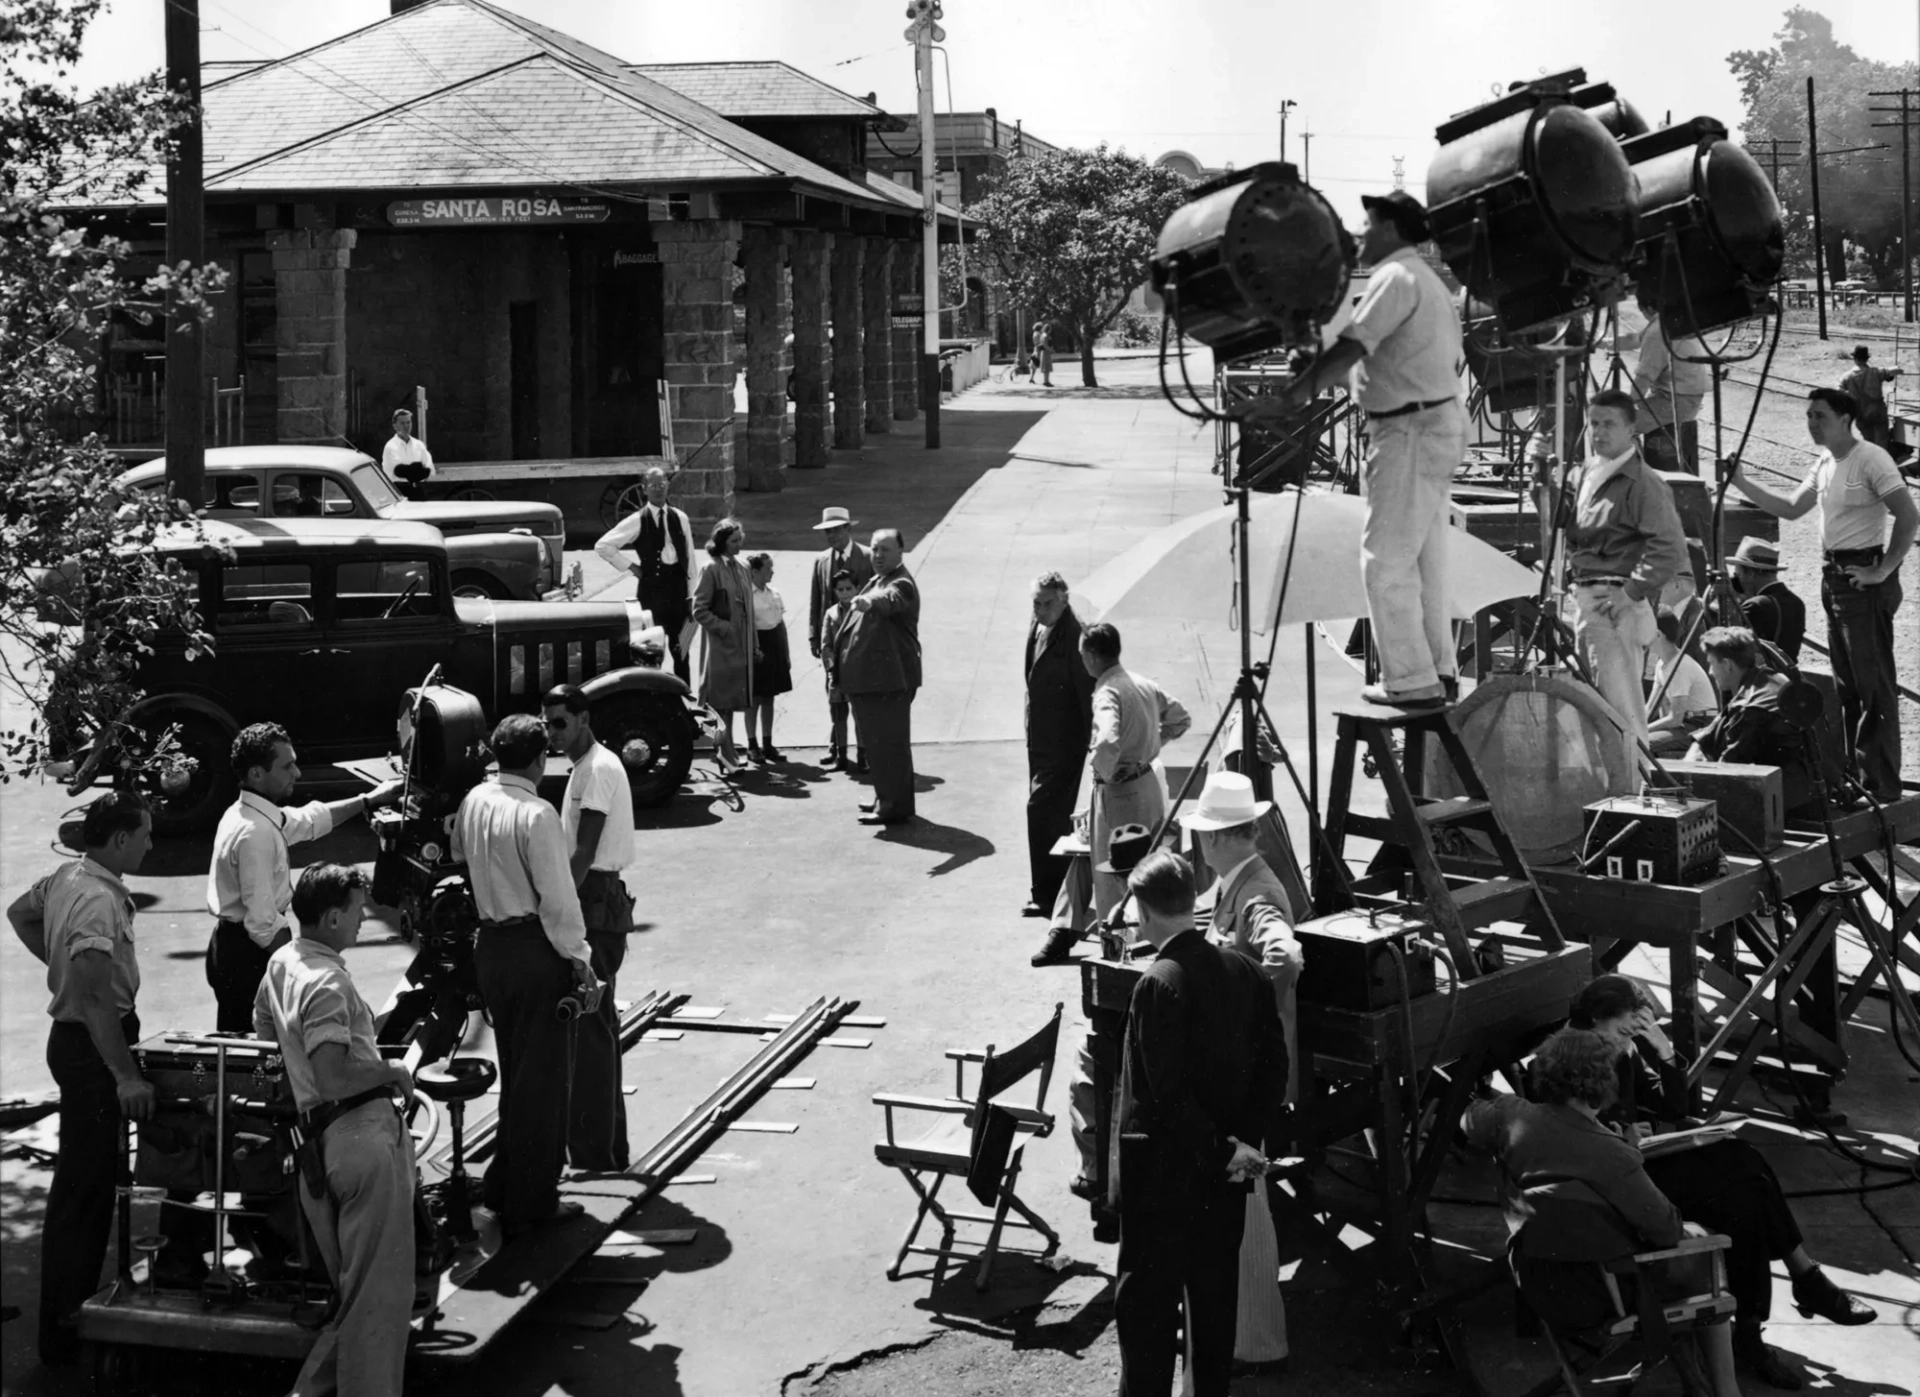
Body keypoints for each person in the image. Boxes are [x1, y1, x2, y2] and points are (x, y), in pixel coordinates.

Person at [1570, 975, 1875, 1388]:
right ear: (1594, 1018)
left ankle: (1758, 1324)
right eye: (1625, 1029)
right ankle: (1797, 1288)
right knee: (1742, 1170)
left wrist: (1661, 1050)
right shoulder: (1567, 1060)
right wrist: (1621, 1137)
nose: (1629, 1039)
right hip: (1617, 1185)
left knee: (1744, 1191)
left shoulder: (1618, 1048)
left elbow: (1675, 1105)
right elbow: (1570, 1140)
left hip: (1638, 1162)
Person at [1261, 190, 1467, 708]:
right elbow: (1373, 361)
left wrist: (1290, 397)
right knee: (1423, 561)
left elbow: (1353, 346)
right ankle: (1436, 670)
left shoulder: (1395, 277)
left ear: (1393, 229)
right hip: (1430, 425)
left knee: (1384, 562)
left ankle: (1410, 678)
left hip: (1408, 433)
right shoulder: (1426, 281)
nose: (1360, 234)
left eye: (1369, 225)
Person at [1462, 1028, 1743, 1397]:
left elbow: (1467, 1121)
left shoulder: (1508, 1115)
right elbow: (1667, 1231)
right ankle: (1727, 1390)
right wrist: (1627, 1151)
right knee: (1704, 1249)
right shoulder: (1614, 1155)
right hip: (1597, 1294)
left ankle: (1696, 1380)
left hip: (1536, 1275)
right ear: (1604, 1082)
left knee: (1683, 1258)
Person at [1112, 851, 1289, 1397]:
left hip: (1163, 1189)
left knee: (1147, 1321)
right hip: (1224, 1185)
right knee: (1214, 1314)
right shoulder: (1247, 972)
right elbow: (1274, 1069)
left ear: (1143, 912)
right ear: (1195, 900)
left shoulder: (1158, 984)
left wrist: (1218, 1149)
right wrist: (1241, 1146)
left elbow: (1164, 1098)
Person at [252, 863, 416, 1397]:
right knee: (378, 1303)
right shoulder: (327, 981)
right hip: (361, 1140)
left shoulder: (283, 961)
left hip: (317, 1149)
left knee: (355, 1295)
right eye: (355, 912)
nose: (363, 922)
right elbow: (332, 1076)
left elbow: (264, 1028)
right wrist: (391, 1070)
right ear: (330, 916)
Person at [8, 793, 156, 1367]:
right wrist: (125, 1077)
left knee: (84, 1186)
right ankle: (68, 1327)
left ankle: (68, 1319)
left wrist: (56, 965)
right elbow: (96, 1000)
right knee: (85, 1192)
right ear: (119, 840)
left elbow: (21, 912)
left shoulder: (69, 874)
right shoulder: (96, 901)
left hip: (76, 1042)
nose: (150, 844)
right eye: (144, 835)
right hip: (93, 1046)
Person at [452, 714, 602, 1232]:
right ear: (541, 759)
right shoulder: (538, 814)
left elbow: (457, 854)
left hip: (490, 947)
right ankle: (534, 1197)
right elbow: (558, 900)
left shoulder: (474, 799)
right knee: (543, 1080)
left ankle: (504, 1183)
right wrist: (580, 960)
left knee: (516, 1070)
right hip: (532, 948)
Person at [1729, 389, 1918, 799]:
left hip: (1860, 579)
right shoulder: (1825, 462)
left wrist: (1882, 570)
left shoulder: (1871, 459)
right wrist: (1741, 480)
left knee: (1873, 686)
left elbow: (1908, 515)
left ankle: (1882, 785)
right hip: (1833, 576)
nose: (1813, 423)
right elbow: (1793, 507)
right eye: (1810, 415)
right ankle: (1857, 778)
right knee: (1847, 686)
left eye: (1821, 416)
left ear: (1845, 418)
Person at [1184, 772, 1304, 1378]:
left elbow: (1285, 956)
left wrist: (1235, 1009)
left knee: (1246, 1207)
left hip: (1249, 1078)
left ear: (1216, 840)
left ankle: (1257, 1343)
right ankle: (1244, 1335)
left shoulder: (1253, 892)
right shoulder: (1243, 883)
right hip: (1249, 1073)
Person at [206, 723, 401, 1034]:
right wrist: (307, 968)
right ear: (257, 774)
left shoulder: (249, 812)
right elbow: (263, 923)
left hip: (235, 947)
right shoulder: (255, 832)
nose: (297, 773)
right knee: (259, 1055)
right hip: (248, 956)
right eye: (287, 766)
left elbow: (310, 819)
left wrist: (368, 800)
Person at [1563, 388, 1689, 783]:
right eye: (1594, 423)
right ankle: (1619, 796)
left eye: (1609, 424)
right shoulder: (1589, 474)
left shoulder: (1641, 481)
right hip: (1588, 598)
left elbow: (1670, 548)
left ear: (1631, 430)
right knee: (1603, 709)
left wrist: (1630, 593)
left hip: (1612, 602)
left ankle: (1634, 801)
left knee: (1621, 714)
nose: (1599, 432)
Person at [543, 684, 635, 1172]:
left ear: (583, 718)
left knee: (592, 1028)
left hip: (592, 900)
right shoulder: (586, 766)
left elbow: (584, 851)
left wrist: (559, 907)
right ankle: (602, 1149)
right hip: (593, 899)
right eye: (547, 725)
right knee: (593, 1027)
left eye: (561, 723)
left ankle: (598, 1154)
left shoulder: (596, 769)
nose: (553, 734)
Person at [1083, 622, 1192, 919]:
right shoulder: (1143, 683)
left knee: (1117, 874)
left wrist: (1105, 773)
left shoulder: (1107, 692)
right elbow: (1181, 718)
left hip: (1120, 794)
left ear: (1092, 655)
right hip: (1147, 786)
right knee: (1153, 869)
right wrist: (1152, 744)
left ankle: (1121, 943)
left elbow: (1106, 740)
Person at [1024, 572, 1096, 922]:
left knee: (1042, 814)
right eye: (1035, 603)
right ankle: (1049, 893)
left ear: (1064, 600)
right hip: (1039, 738)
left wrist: (1092, 746)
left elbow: (1087, 698)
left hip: (1064, 744)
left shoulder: (1075, 637)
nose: (1039, 610)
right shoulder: (1039, 624)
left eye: (1047, 603)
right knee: (1046, 817)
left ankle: (1049, 896)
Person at [840, 528, 922, 825]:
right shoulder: (878, 578)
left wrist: (868, 602)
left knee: (890, 744)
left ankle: (893, 807)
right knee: (877, 744)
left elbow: (890, 599)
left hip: (891, 680)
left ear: (901, 552)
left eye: (885, 550)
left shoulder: (901, 583)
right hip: (874, 680)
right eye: (874, 549)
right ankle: (884, 798)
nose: (877, 555)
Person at [1687, 626, 1815, 814]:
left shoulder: (1748, 707)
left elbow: (1727, 770)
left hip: (1785, 800)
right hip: (1803, 786)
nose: (1711, 672)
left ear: (1727, 665)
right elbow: (1721, 725)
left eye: (1712, 664)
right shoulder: (1770, 677)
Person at [594, 467, 697, 682]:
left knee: (683, 651)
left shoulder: (681, 518)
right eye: (653, 486)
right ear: (644, 490)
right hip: (652, 595)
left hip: (679, 595)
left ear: (668, 486)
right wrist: (632, 567)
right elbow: (603, 546)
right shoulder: (637, 520)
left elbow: (690, 562)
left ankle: (686, 696)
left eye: (662, 485)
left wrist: (691, 597)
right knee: (650, 652)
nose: (658, 489)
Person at [690, 517, 756, 772]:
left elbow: (749, 609)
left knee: (731, 702)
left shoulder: (743, 566)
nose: (740, 545)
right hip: (720, 648)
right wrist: (724, 628)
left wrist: (754, 643)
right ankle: (725, 754)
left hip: (742, 647)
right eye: (734, 541)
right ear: (721, 542)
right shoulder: (711, 568)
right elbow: (699, 610)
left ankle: (726, 751)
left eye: (741, 539)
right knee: (720, 704)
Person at [1632, 321, 1709, 474]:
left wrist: (1623, 407)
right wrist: (1598, 343)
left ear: (1645, 308)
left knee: (1621, 425)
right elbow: (1632, 340)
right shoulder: (1666, 321)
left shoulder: (1656, 333)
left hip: (1676, 401)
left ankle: (1641, 480)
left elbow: (1641, 382)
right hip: (1686, 397)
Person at [1646, 607, 1719, 758]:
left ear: (1658, 634)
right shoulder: (1662, 663)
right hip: (1685, 723)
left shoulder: (1679, 667)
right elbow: (1651, 708)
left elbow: (1675, 719)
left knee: (1642, 743)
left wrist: (1642, 729)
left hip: (1700, 725)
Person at [1726, 536, 1806, 665]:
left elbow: (1739, 654)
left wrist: (1732, 605)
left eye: (1738, 574)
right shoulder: (1796, 602)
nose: (1737, 580)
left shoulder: (1755, 606)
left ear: (1751, 573)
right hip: (1787, 679)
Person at [746, 552, 793, 763]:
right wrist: (754, 651)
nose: (772, 572)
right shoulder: (747, 596)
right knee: (754, 699)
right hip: (758, 647)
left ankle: (767, 743)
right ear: (754, 571)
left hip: (774, 646)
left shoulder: (774, 593)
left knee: (769, 698)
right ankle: (752, 745)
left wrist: (786, 653)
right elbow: (748, 628)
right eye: (768, 568)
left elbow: (781, 626)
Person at [819, 570, 859, 770]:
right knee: (838, 715)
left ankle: (863, 756)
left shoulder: (863, 610)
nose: (845, 593)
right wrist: (831, 669)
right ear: (835, 592)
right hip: (837, 673)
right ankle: (841, 756)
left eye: (849, 588)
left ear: (857, 588)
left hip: (859, 670)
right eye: (840, 589)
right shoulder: (831, 613)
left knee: (860, 716)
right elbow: (825, 645)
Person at [1839, 344, 1900, 450]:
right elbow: (1894, 371)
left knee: (1869, 443)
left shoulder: (1847, 377)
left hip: (1860, 413)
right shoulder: (1876, 372)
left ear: (1854, 359)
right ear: (1867, 359)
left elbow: (1838, 392)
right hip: (1877, 412)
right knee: (1882, 443)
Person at [382, 408, 433, 502]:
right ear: (395, 426)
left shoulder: (419, 445)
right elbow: (398, 471)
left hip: (418, 492)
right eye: (402, 423)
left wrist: (410, 470)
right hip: (399, 493)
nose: (406, 426)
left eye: (408, 422)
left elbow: (429, 470)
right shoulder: (390, 446)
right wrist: (417, 468)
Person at [1032, 320, 1054, 387]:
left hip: (1043, 352)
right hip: (1046, 353)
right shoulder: (1044, 335)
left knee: (1045, 368)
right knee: (1046, 368)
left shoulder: (1042, 335)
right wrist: (1050, 349)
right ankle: (1046, 381)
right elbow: (1044, 344)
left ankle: (1046, 381)